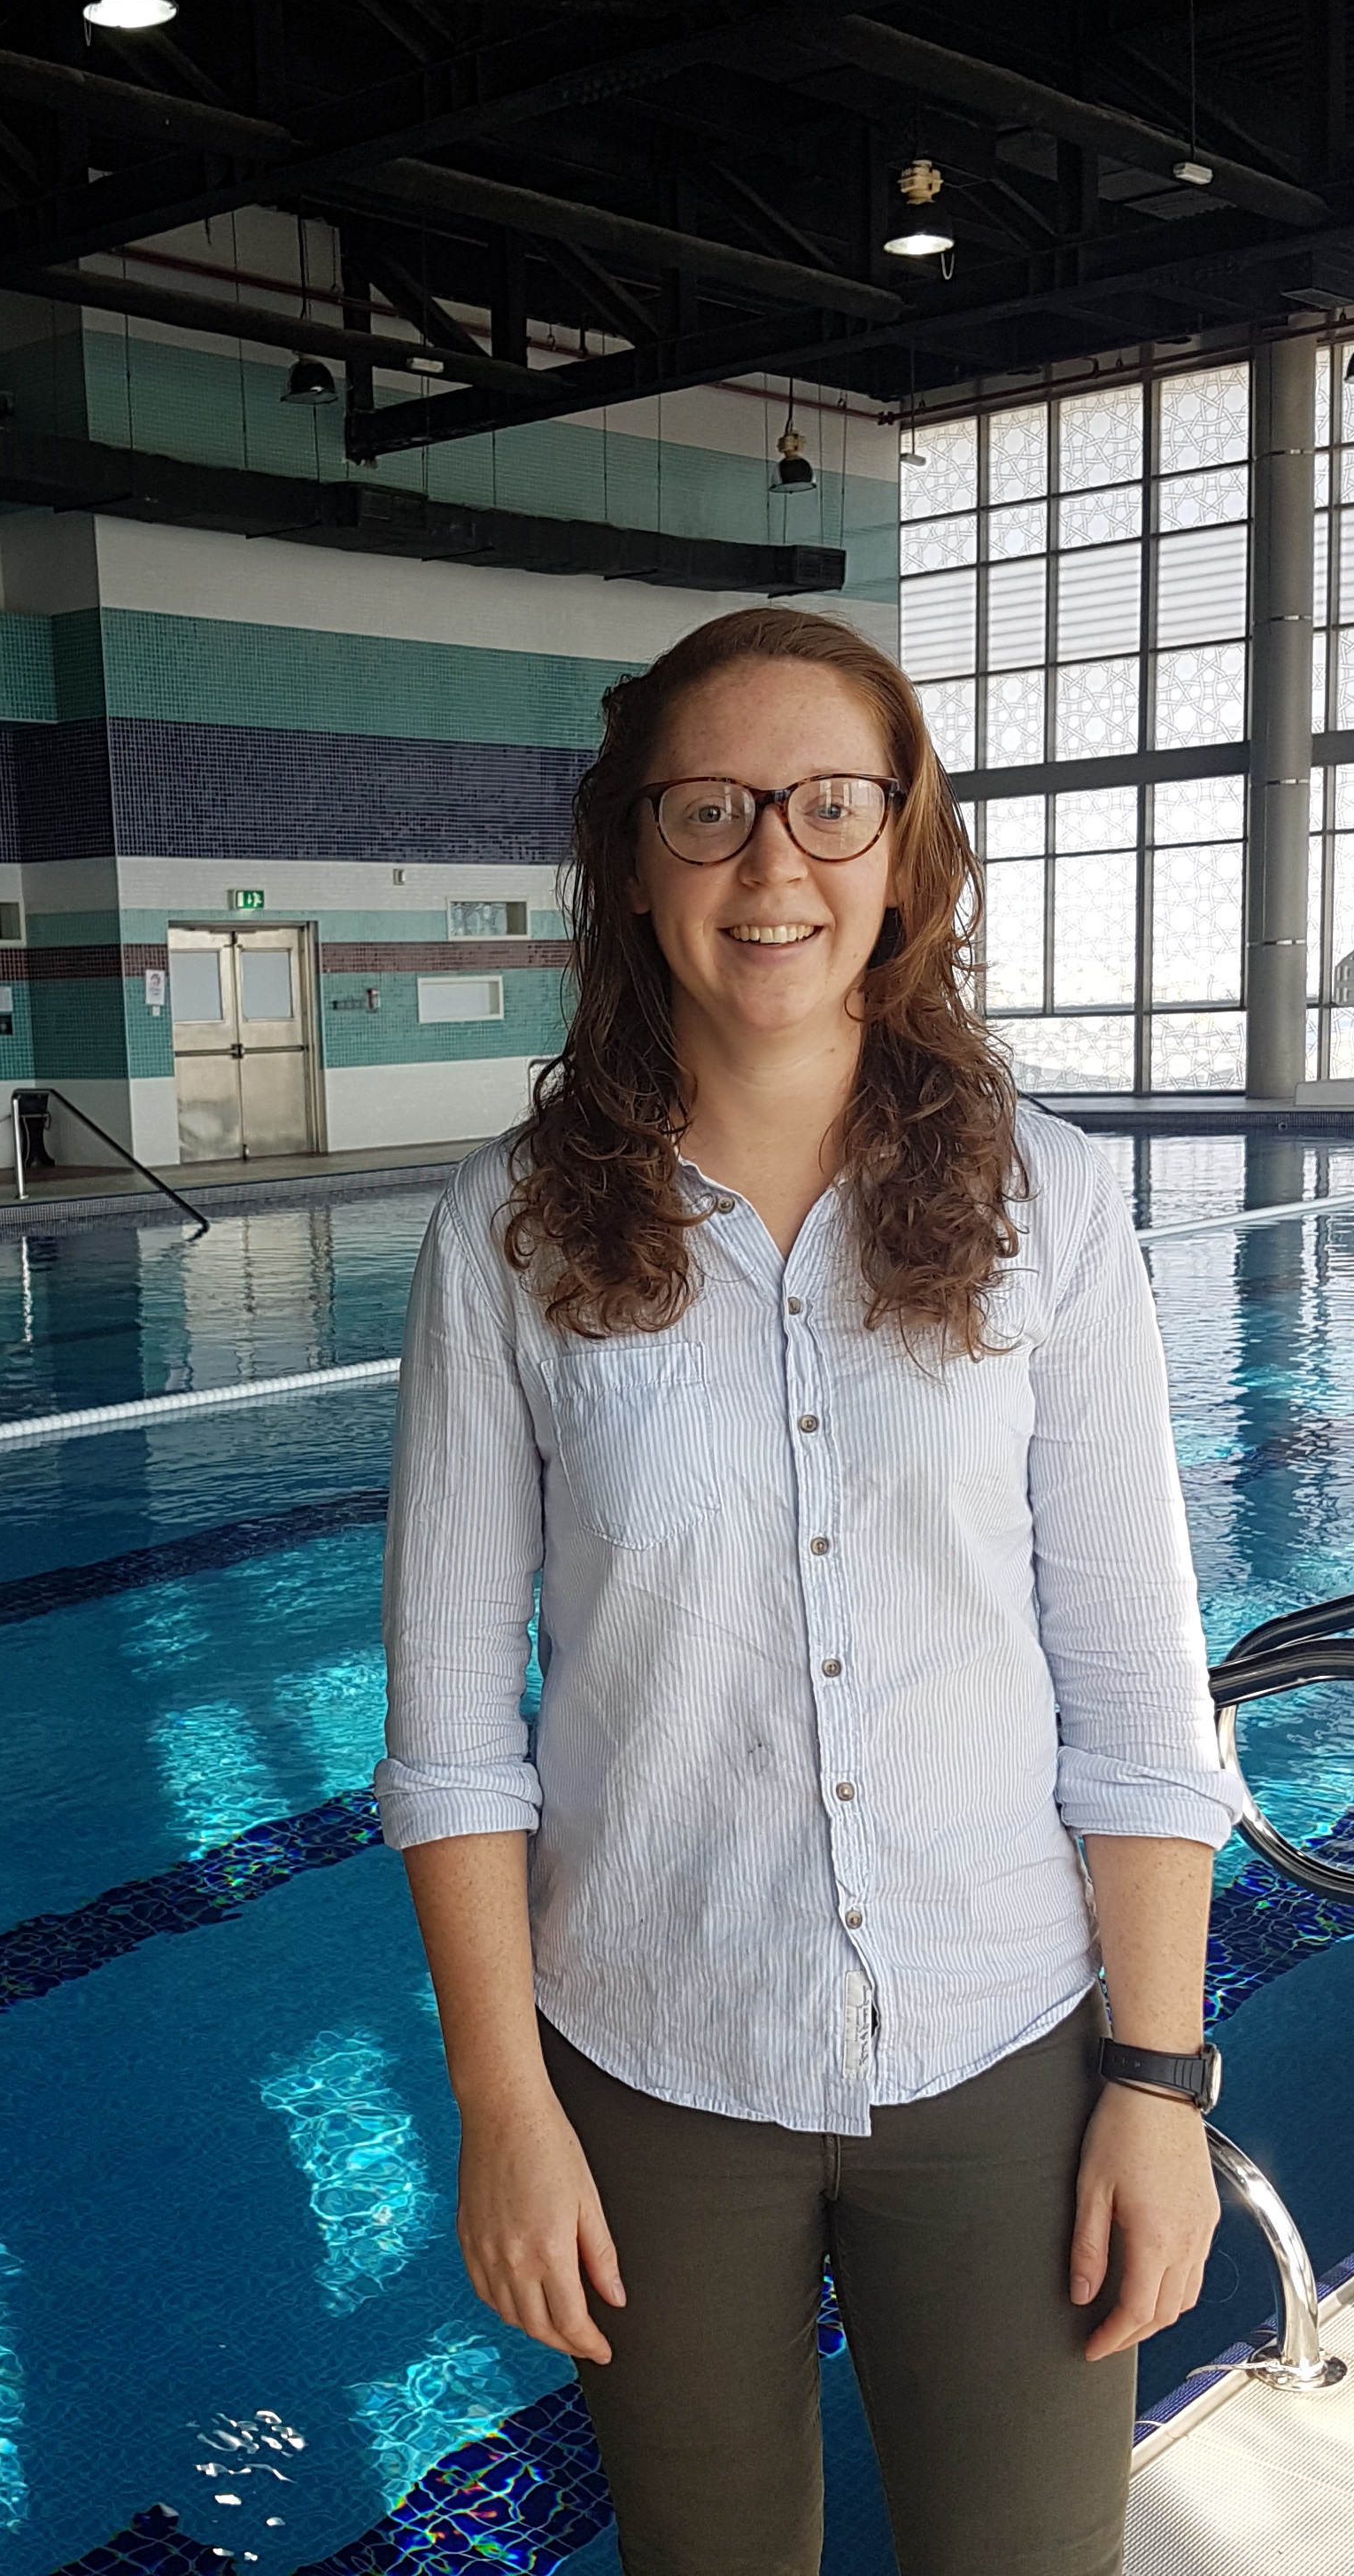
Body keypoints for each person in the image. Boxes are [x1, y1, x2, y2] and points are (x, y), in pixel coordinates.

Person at [377, 607, 1247, 2576]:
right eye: (709, 808)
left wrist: (1158, 2084)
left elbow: (1136, 1682)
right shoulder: (504, 1234)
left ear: (905, 846)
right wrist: (505, 2106)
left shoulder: (1051, 1198)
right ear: (631, 859)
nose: (773, 862)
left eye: (831, 804)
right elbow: (449, 1732)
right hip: (650, 2059)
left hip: (1004, 2048)